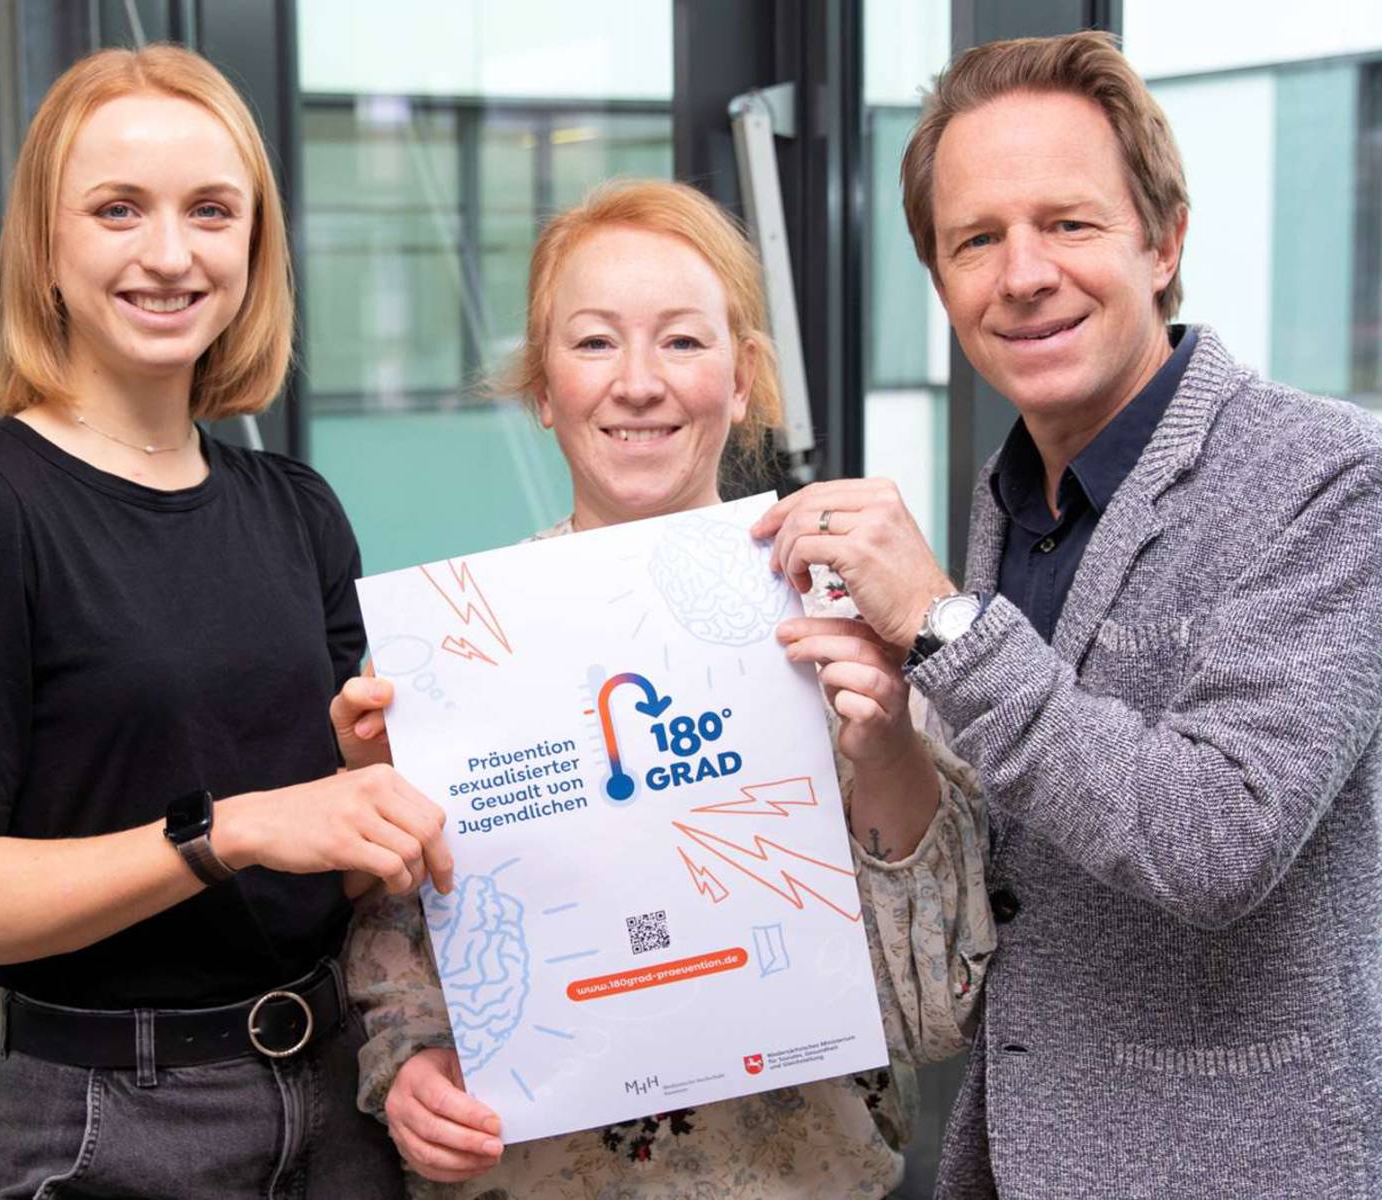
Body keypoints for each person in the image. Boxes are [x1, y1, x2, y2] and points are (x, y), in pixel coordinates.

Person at [754, 31, 1382, 1198]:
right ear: (942, 282)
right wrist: (892, 747)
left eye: (1066, 223)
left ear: (1161, 242)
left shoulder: (1325, 475)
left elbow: (1216, 840)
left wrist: (947, 629)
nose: (1021, 274)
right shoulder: (1006, 497)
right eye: (976, 240)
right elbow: (1020, 869)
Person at [0, 45, 453, 1200]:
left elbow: (315, 862)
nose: (170, 254)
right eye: (118, 209)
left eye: (211, 212)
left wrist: (361, 781)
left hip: (341, 1105)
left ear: (253, 247)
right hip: (111, 1124)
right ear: (46, 246)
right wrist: (224, 832)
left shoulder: (296, 509)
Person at [330, 180, 996, 1198]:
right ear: (543, 390)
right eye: (594, 343)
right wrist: (409, 1067)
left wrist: (891, 751)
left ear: (742, 381)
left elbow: (937, 1012)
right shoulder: (459, 654)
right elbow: (396, 948)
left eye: (683, 342)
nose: (638, 383)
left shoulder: (853, 622)